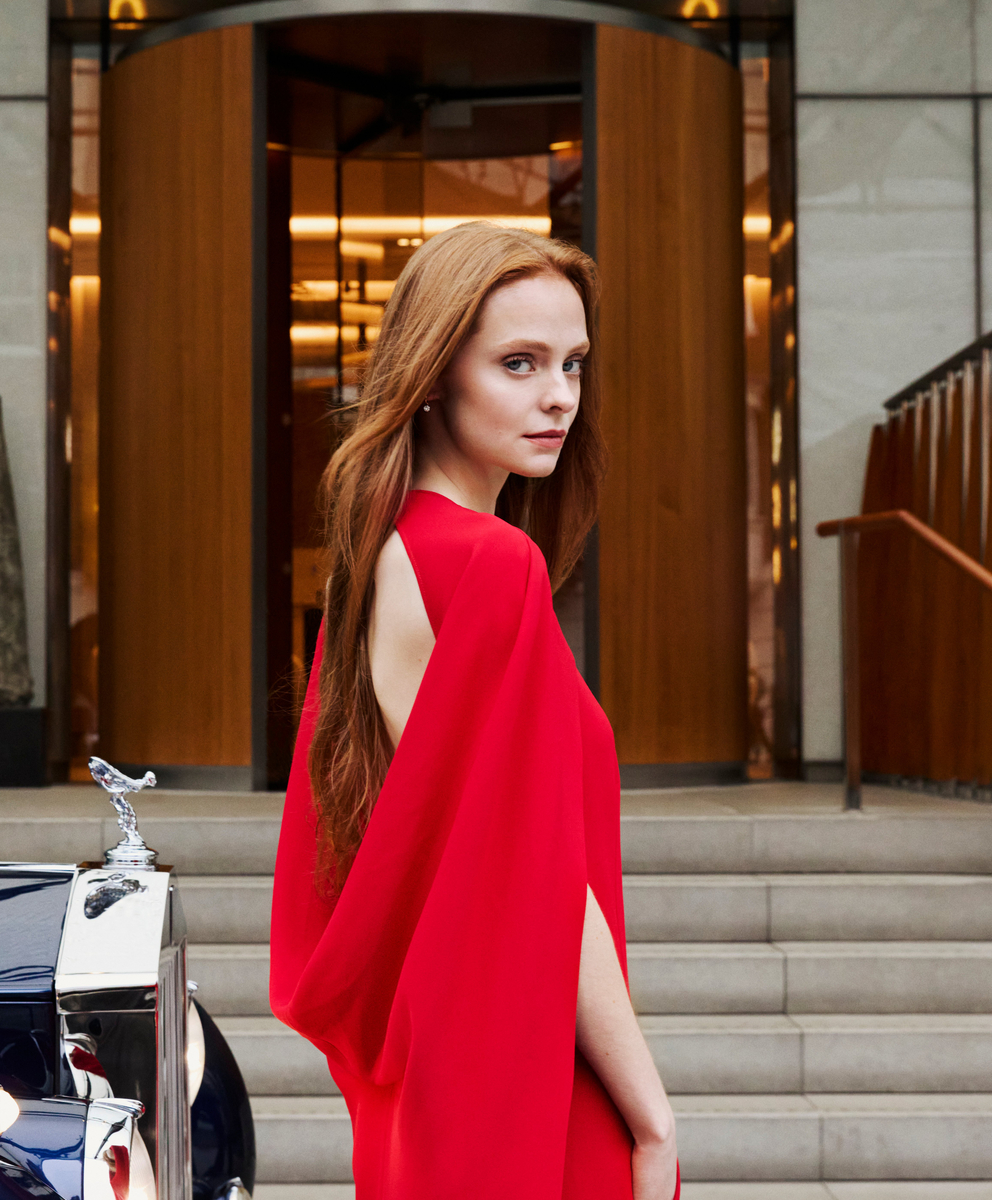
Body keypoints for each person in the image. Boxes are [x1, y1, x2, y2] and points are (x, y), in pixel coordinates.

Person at [270, 222, 679, 1199]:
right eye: (519, 363)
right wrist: (651, 1110)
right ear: (432, 376)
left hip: (443, 1056)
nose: (559, 397)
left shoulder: (387, 549)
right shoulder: (489, 565)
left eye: (573, 363)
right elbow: (546, 870)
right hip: (521, 1054)